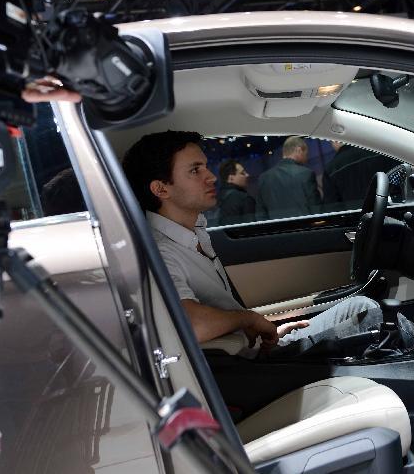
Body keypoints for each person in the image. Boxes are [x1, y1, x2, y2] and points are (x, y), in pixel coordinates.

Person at [122, 130, 383, 356]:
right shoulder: (159, 251)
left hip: (256, 348)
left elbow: (221, 313)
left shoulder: (195, 231)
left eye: (205, 166)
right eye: (195, 170)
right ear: (161, 189)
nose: (211, 177)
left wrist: (266, 329)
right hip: (248, 367)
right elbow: (190, 325)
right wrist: (249, 319)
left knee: (360, 309)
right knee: (365, 312)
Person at [255, 136, 321, 220]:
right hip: (304, 229)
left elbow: (261, 215)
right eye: (306, 154)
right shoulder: (306, 174)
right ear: (299, 150)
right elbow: (316, 210)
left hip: (277, 231)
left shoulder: (263, 178)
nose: (306, 158)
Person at [321, 141, 400, 211]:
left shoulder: (331, 169)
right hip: (391, 215)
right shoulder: (382, 152)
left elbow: (332, 208)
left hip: (358, 223)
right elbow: (400, 181)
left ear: (335, 141)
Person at [217, 159, 256, 225]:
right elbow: (252, 228)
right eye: (242, 173)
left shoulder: (217, 199)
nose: (247, 175)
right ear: (231, 178)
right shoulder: (244, 199)